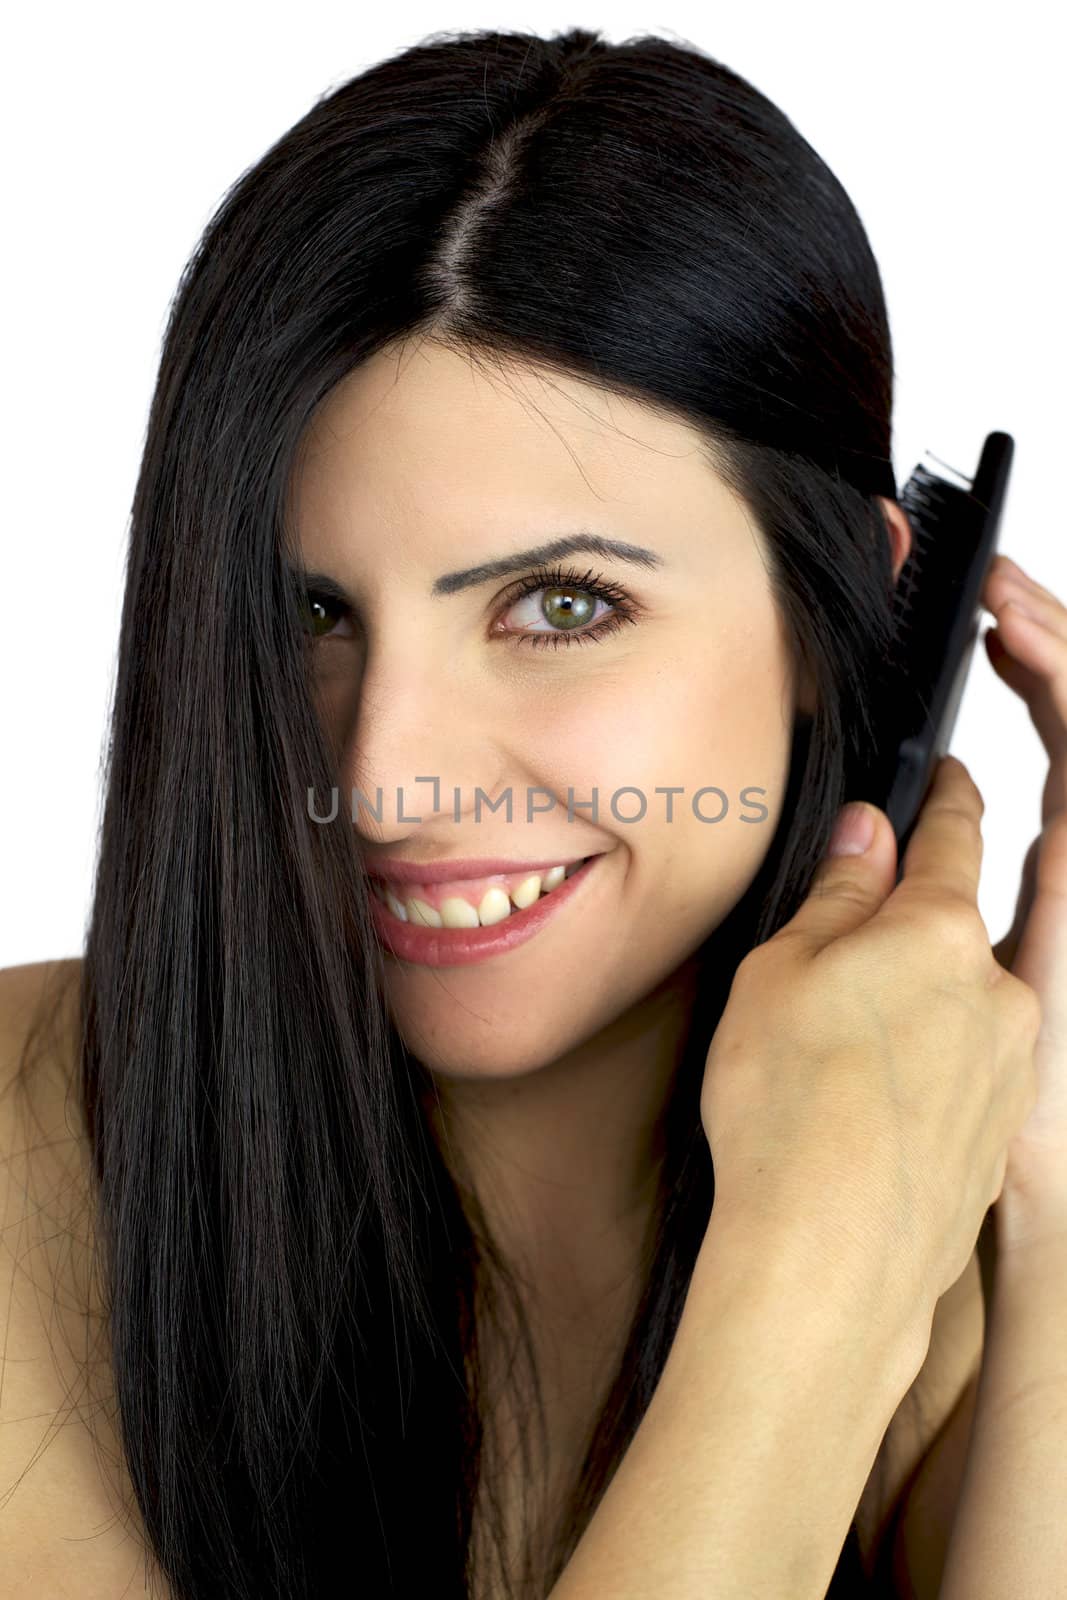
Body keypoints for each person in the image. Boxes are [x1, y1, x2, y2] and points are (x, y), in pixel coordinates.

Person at [1, 24, 1053, 1600]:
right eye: (310, 614)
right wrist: (810, 1286)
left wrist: (1052, 1223)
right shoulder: (24, 1165)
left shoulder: (991, 1285)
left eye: (560, 606)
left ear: (846, 630)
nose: (382, 780)